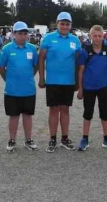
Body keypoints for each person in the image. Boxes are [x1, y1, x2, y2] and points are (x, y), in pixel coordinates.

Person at [39, 12, 81, 153]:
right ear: (57, 24)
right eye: (62, 23)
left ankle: (64, 138)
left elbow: (78, 62)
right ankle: (52, 138)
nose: (64, 26)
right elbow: (41, 59)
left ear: (70, 25)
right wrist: (41, 77)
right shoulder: (48, 38)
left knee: (65, 110)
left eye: (67, 24)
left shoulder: (75, 41)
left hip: (68, 81)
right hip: (52, 81)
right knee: (53, 110)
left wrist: (77, 82)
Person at [0, 21, 38, 152]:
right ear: (14, 34)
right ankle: (12, 140)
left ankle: (28, 140)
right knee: (13, 116)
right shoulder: (7, 49)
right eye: (19, 33)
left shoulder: (32, 49)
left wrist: (29, 77)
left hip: (28, 90)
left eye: (24, 33)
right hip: (12, 90)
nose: (22, 36)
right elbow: (1, 67)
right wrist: (7, 79)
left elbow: (36, 66)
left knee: (28, 116)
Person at [77, 25, 107, 151]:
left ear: (103, 37)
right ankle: (85, 138)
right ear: (90, 36)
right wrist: (80, 88)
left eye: (100, 36)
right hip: (89, 87)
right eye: (95, 35)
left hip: (104, 87)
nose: (97, 38)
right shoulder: (85, 51)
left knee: (104, 113)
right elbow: (81, 71)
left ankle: (106, 139)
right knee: (87, 113)